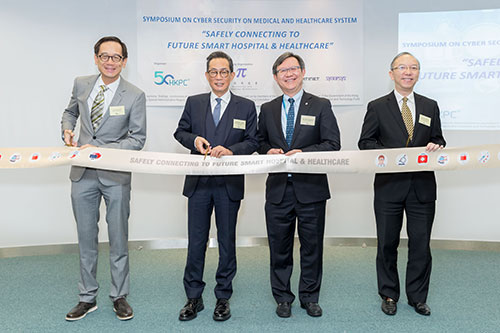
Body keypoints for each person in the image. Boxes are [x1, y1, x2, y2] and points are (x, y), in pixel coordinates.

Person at [61, 36, 146, 321]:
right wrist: (67, 130)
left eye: (116, 57)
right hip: (82, 174)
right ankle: (87, 297)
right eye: (105, 56)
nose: (111, 62)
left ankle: (119, 296)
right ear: (96, 58)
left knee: (118, 238)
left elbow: (137, 140)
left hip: (116, 175)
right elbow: (70, 112)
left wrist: (99, 150)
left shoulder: (134, 95)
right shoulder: (81, 84)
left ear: (124, 62)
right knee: (86, 237)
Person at [358, 52, 445, 316]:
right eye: (402, 67)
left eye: (414, 68)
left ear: (418, 73)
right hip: (389, 187)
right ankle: (388, 294)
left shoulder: (430, 105)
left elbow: (439, 140)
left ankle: (417, 297)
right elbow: (365, 143)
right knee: (387, 243)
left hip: (422, 188)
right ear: (391, 73)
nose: (408, 72)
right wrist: (394, 155)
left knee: (421, 244)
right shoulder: (377, 106)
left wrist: (437, 146)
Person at [174, 51, 259, 322]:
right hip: (198, 184)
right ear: (207, 75)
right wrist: (195, 140)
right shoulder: (194, 102)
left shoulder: (246, 106)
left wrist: (232, 150)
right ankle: (193, 297)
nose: (219, 77)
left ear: (233, 75)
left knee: (226, 241)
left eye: (224, 72)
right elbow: (180, 132)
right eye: (214, 71)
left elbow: (253, 141)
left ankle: (223, 297)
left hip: (228, 185)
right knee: (196, 241)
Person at [257, 52, 340, 318]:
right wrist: (267, 149)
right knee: (279, 247)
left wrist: (304, 153)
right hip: (278, 191)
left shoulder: (321, 105)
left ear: (303, 72)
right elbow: (259, 142)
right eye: (282, 71)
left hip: (311, 190)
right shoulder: (267, 109)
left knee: (312, 247)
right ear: (275, 77)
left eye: (293, 69)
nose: (288, 74)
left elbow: (332, 144)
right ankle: (283, 297)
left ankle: (309, 297)